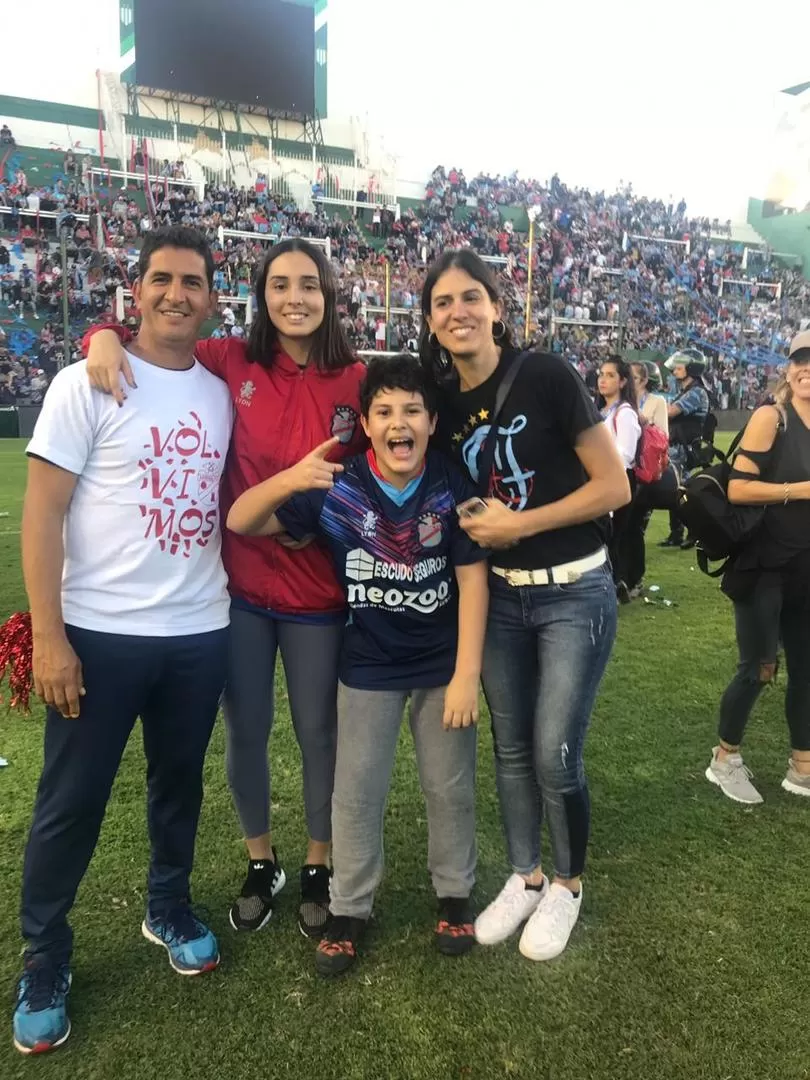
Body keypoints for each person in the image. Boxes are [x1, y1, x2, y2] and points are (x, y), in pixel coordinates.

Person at [84, 238, 366, 939]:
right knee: (246, 732)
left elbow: (375, 473)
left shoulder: (358, 378)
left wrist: (327, 527)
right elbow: (160, 340)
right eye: (279, 285)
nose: (294, 298)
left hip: (317, 596)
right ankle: (261, 860)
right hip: (236, 589)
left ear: (328, 295)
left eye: (308, 284)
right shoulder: (231, 359)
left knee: (318, 733)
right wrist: (104, 336)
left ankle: (316, 863)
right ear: (260, 296)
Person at [13, 226, 233, 1056]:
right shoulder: (85, 380)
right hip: (99, 635)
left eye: (193, 282)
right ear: (134, 291)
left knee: (178, 788)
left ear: (213, 298)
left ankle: (167, 906)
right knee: (71, 802)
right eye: (161, 279)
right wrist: (50, 635)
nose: (177, 293)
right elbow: (43, 514)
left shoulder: (216, 389)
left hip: (198, 629)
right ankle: (45, 952)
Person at [227, 354, 489, 976]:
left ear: (430, 422)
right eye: (385, 412)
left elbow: (472, 579)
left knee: (448, 788)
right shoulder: (339, 484)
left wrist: (466, 675)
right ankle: (348, 907)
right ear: (366, 425)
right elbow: (242, 520)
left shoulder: (450, 482)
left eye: (413, 411)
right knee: (356, 793)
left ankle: (453, 893)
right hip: (367, 665)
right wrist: (294, 478)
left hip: (438, 666)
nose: (400, 424)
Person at [422, 250, 630, 962]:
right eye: (444, 301)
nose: (459, 311)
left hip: (575, 590)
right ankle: (526, 874)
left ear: (498, 308)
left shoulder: (545, 375)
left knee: (554, 754)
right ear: (430, 320)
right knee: (510, 750)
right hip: (501, 600)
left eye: (471, 297)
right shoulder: (442, 397)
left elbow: (614, 487)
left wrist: (519, 525)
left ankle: (567, 885)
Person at [706, 331, 810, 805]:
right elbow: (739, 490)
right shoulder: (773, 417)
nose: (807, 368)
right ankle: (724, 758)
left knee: (806, 670)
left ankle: (802, 765)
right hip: (763, 564)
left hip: (806, 566)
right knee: (759, 668)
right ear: (788, 368)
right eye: (800, 360)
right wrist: (801, 488)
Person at [597, 356, 641, 604]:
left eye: (610, 375)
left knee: (611, 537)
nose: (603, 380)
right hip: (604, 477)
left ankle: (614, 585)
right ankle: (615, 584)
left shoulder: (624, 413)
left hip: (618, 479)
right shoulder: (603, 410)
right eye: (601, 374)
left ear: (623, 381)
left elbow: (625, 453)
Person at [625, 361, 671, 596]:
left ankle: (634, 579)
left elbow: (663, 436)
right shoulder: (620, 401)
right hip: (622, 470)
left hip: (645, 474)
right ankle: (620, 577)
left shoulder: (656, 402)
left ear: (643, 380)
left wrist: (641, 420)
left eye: (632, 376)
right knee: (619, 528)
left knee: (635, 527)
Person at [659, 348, 710, 549]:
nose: (675, 369)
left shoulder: (696, 392)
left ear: (691, 368)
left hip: (685, 449)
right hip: (678, 448)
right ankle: (677, 533)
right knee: (677, 491)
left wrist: (652, 407)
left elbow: (671, 412)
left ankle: (694, 532)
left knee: (683, 493)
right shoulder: (687, 390)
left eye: (679, 365)